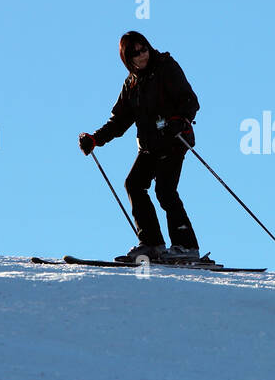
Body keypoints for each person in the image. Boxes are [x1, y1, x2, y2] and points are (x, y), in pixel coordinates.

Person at [79, 31, 202, 262]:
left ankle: (186, 248)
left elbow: (190, 100)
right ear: (127, 58)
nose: (141, 55)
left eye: (143, 48)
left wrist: (180, 119)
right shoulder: (132, 84)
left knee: (165, 191)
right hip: (149, 145)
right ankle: (152, 244)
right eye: (135, 53)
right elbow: (119, 121)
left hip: (174, 140)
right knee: (134, 184)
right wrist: (95, 139)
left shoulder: (166, 67)